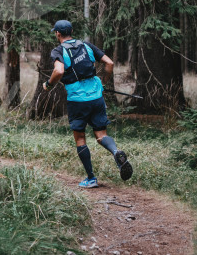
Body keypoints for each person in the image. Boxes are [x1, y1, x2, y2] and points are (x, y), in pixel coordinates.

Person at [42, 19, 132, 188]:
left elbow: (59, 70)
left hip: (77, 101)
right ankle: (115, 152)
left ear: (58, 34)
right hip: (96, 97)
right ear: (72, 31)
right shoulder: (86, 45)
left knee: (80, 138)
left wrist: (48, 85)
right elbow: (109, 63)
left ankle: (91, 178)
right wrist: (103, 82)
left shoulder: (58, 50)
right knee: (101, 135)